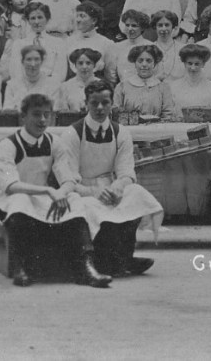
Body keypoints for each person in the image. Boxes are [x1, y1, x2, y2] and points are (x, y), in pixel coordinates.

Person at [0, 93, 111, 288]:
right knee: (20, 200)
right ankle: (20, 266)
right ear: (23, 117)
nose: (43, 120)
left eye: (47, 115)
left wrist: (61, 192)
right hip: (13, 198)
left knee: (74, 199)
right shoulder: (8, 145)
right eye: (36, 115)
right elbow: (10, 185)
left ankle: (85, 267)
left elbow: (69, 179)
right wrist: (48, 191)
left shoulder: (55, 143)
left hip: (43, 197)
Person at [62, 81, 163, 277]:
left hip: (110, 189)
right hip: (82, 190)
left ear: (111, 104)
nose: (100, 108)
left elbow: (126, 172)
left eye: (105, 103)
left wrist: (117, 187)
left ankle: (124, 256)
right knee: (84, 208)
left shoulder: (121, 132)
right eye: (94, 103)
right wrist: (93, 192)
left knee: (136, 193)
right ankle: (96, 261)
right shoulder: (72, 134)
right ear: (86, 104)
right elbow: (68, 178)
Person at [2, 1, 66, 84]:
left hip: (50, 90)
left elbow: (60, 74)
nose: (36, 22)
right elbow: (16, 73)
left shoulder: (58, 43)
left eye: (40, 17)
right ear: (28, 21)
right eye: (32, 18)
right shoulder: (19, 44)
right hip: (25, 89)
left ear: (47, 19)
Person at [113, 45, 177, 121]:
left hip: (157, 129)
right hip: (129, 129)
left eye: (149, 61)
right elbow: (115, 112)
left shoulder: (163, 88)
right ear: (135, 63)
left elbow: (168, 115)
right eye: (140, 61)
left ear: (154, 64)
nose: (144, 64)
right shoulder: (122, 86)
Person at [3, 45, 62, 111]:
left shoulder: (53, 84)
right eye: (29, 59)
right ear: (22, 62)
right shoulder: (12, 85)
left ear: (42, 61)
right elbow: (7, 113)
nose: (33, 64)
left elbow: (53, 111)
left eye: (37, 59)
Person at [171, 44, 211, 113]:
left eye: (197, 64)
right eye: (190, 63)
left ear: (203, 64)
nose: (193, 68)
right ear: (184, 63)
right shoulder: (174, 86)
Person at [63, 3, 111, 76]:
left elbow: (109, 73)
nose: (78, 20)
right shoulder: (68, 41)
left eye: (82, 16)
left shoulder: (106, 43)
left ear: (94, 20)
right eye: (77, 16)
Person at [56, 48, 102, 113]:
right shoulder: (65, 87)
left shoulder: (102, 85)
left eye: (88, 63)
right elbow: (63, 113)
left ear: (94, 65)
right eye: (80, 63)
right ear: (75, 65)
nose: (84, 67)